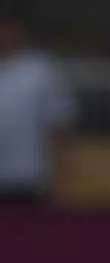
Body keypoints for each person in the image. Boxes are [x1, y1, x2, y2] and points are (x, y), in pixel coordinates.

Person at [0, 9, 75, 204]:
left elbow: (59, 123)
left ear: (19, 32)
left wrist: (59, 176)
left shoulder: (41, 71)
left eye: (7, 30)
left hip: (28, 177)